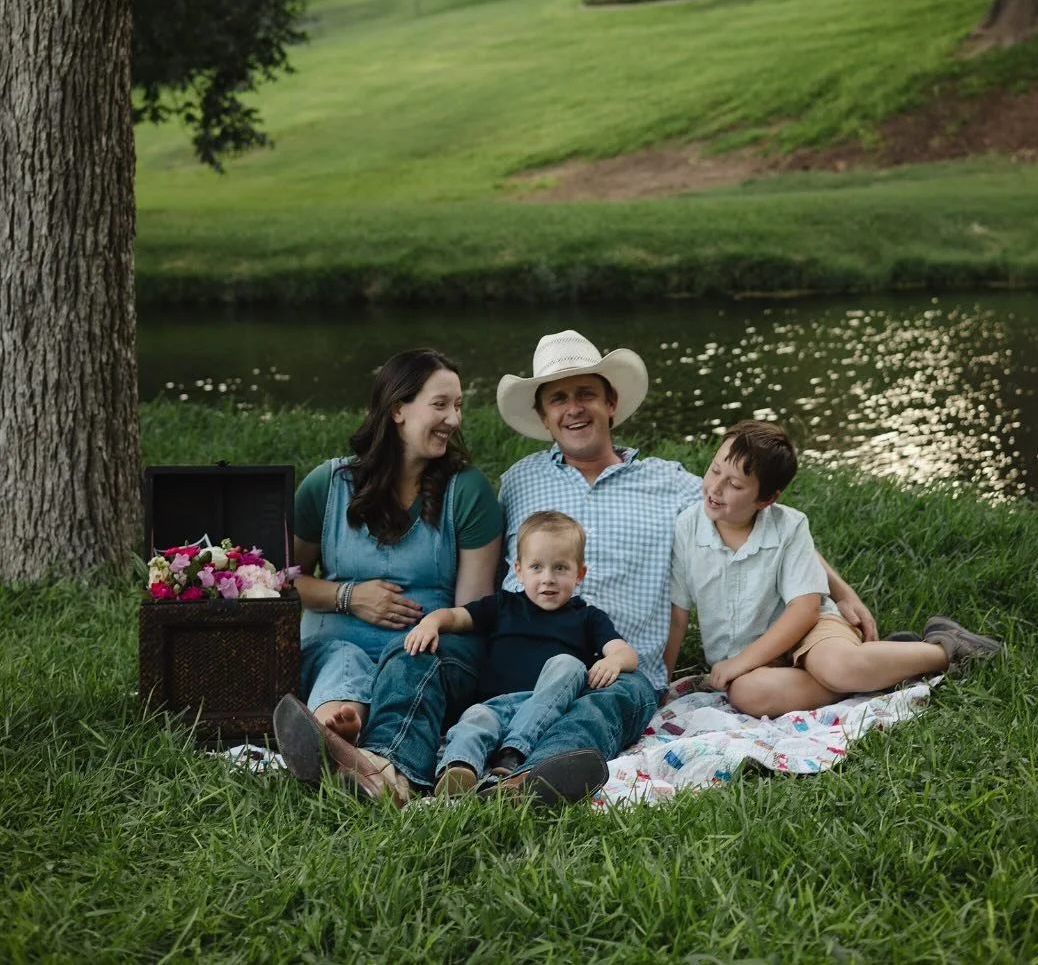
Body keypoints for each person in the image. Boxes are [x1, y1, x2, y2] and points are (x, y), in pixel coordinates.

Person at [477, 329, 879, 801]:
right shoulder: (519, 481)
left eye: (586, 393)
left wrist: (844, 593)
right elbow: (483, 562)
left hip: (620, 668)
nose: (573, 408)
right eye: (558, 398)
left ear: (611, 402)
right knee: (477, 697)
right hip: (524, 656)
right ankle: (431, 768)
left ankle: (534, 781)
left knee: (599, 710)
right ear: (545, 417)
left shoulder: (669, 484)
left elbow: (766, 524)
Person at [272, 347, 503, 802]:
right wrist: (349, 597)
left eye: (458, 406)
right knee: (341, 660)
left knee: (409, 655)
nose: (454, 419)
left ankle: (381, 767)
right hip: (337, 637)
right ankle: (335, 729)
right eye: (440, 405)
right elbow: (282, 582)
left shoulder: (467, 490)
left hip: (432, 648)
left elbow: (475, 607)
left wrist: (430, 626)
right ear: (398, 408)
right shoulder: (328, 485)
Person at [664, 419, 1003, 718]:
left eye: (736, 485)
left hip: (810, 631)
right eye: (714, 469)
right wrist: (659, 684)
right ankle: (880, 667)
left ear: (766, 500)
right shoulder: (687, 528)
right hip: (754, 660)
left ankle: (946, 649)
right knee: (747, 694)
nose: (716, 487)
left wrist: (741, 662)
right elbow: (678, 615)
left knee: (836, 666)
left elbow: (805, 610)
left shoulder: (789, 527)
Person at [403, 509, 638, 797]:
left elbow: (625, 653)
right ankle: (458, 770)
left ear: (580, 573)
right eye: (536, 567)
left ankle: (512, 756)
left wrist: (613, 660)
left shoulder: (587, 617)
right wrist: (430, 623)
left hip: (548, 709)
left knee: (568, 664)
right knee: (475, 719)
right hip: (495, 705)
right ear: (518, 570)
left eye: (560, 568)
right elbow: (455, 616)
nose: (548, 578)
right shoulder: (503, 606)